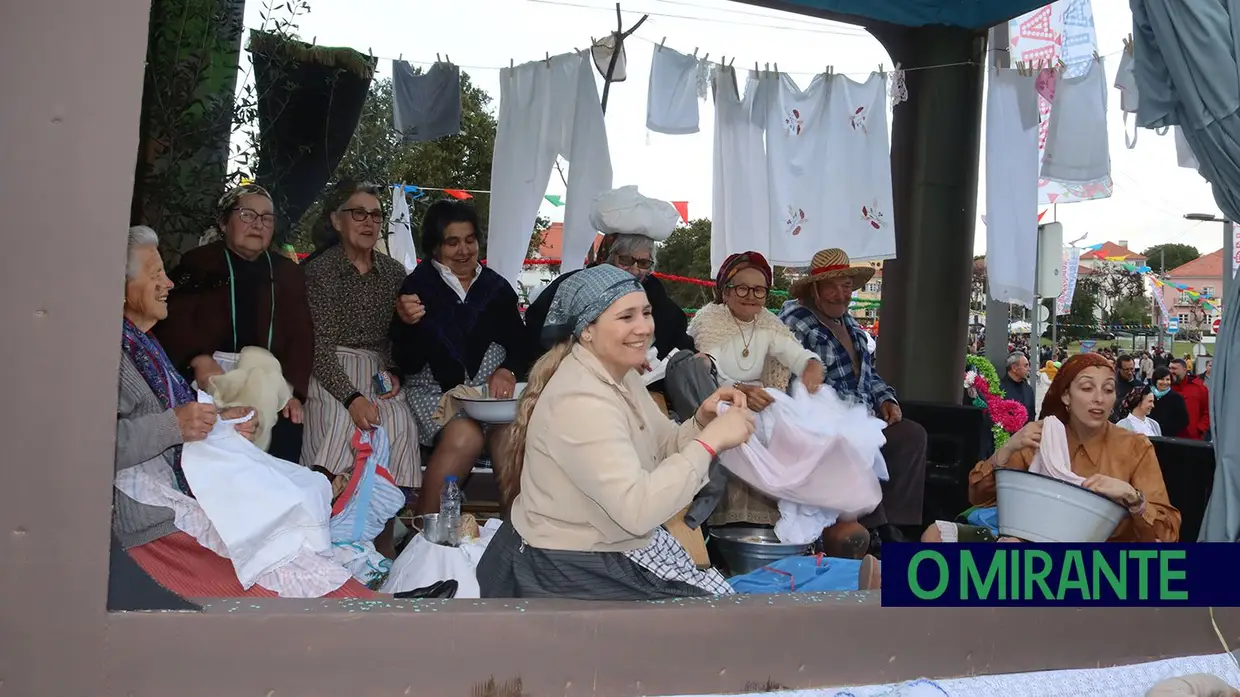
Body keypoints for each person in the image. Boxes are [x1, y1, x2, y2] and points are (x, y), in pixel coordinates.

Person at [115, 226, 372, 597]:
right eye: (155, 275)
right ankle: (364, 608)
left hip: (179, 487)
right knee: (266, 553)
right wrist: (176, 425)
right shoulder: (109, 353)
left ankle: (365, 601)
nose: (168, 283)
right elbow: (98, 447)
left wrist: (220, 423)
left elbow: (175, 417)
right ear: (117, 285)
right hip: (151, 511)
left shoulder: (142, 344)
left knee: (286, 509)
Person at [476, 265, 757, 600]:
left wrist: (700, 422)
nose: (644, 327)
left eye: (646, 312)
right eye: (626, 317)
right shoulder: (579, 399)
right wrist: (710, 443)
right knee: (710, 629)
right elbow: (637, 511)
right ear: (587, 330)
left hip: (605, 546)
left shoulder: (622, 376)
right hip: (565, 564)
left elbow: (662, 446)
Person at [924, 353, 1180, 543]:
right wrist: (1007, 450)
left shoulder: (1134, 446)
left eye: (1108, 389)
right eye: (1087, 388)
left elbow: (1168, 533)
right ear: (1066, 396)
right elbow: (978, 497)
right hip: (1029, 544)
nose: (1099, 399)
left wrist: (1133, 499)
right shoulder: (1041, 437)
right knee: (935, 536)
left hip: (1103, 561)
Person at [780, 248, 928, 551]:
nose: (841, 294)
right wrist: (859, 411)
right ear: (814, 290)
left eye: (846, 285)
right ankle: (871, 529)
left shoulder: (853, 327)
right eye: (831, 286)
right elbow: (802, 383)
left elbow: (869, 377)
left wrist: (886, 399)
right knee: (857, 438)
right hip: (818, 423)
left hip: (859, 419)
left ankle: (894, 528)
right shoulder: (797, 322)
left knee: (911, 435)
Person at [154, 184, 314, 462]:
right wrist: (198, 358)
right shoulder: (200, 262)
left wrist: (294, 391)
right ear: (224, 222)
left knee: (287, 430)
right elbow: (175, 320)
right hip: (213, 374)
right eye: (247, 215)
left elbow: (301, 335)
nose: (258, 224)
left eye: (266, 218)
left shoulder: (287, 273)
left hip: (271, 378)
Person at [301, 182, 420, 555]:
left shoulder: (393, 272)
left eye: (375, 215)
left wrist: (392, 371)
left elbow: (394, 338)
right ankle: (318, 542)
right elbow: (317, 346)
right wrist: (351, 398)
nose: (368, 222)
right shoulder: (320, 272)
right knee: (340, 424)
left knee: (400, 423)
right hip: (330, 366)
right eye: (358, 213)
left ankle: (380, 547)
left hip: (375, 367)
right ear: (337, 220)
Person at [390, 199, 529, 515]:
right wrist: (408, 325)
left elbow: (522, 344)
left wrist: (508, 369)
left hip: (492, 397)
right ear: (435, 247)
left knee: (512, 441)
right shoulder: (417, 287)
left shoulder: (495, 288)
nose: (464, 250)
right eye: (452, 242)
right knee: (465, 436)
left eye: (470, 240)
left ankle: (518, 540)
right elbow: (406, 361)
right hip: (438, 395)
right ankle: (424, 537)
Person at [522, 186, 693, 411]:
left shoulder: (652, 290)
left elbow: (677, 339)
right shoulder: (577, 284)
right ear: (606, 255)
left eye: (643, 263)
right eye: (625, 260)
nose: (634, 270)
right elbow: (541, 337)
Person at [1169, 358, 1210, 440]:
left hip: (1193, 438)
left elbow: (1208, 411)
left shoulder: (1198, 387)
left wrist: (1200, 429)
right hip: (1169, 436)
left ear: (1184, 370)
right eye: (1169, 368)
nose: (1171, 371)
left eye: (1174, 369)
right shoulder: (1166, 387)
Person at [1149, 366, 1190, 440]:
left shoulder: (1176, 398)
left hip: (1168, 439)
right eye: (1161, 379)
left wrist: (1171, 430)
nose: (1165, 382)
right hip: (1149, 437)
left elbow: (1184, 421)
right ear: (1155, 380)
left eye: (1168, 379)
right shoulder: (1147, 395)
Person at [999, 351, 1036, 424]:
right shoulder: (999, 389)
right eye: (1026, 366)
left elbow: (1032, 415)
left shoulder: (1029, 389)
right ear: (1014, 368)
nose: (1029, 369)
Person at [1110, 354, 1145, 423]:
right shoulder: (1111, 385)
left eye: (1132, 369)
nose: (1130, 372)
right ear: (1119, 369)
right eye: (1126, 369)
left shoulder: (1141, 386)